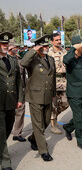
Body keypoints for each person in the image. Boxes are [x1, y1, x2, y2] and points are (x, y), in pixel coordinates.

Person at [20, 35, 55, 161]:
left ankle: (33, 138)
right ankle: (43, 151)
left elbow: (53, 78)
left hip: (48, 95)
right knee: (38, 124)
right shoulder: (32, 59)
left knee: (45, 122)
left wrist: (54, 95)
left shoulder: (50, 59)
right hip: (35, 96)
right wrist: (34, 50)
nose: (46, 48)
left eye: (47, 46)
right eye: (43, 46)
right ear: (38, 47)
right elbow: (23, 63)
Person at [0, 32, 23, 170]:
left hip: (11, 101)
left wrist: (20, 99)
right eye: (3, 43)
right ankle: (6, 163)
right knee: (2, 133)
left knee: (8, 128)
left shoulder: (13, 60)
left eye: (6, 43)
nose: (5, 46)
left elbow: (18, 82)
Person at [48, 33, 69, 134]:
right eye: (56, 40)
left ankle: (53, 116)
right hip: (53, 81)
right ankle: (53, 125)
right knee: (53, 104)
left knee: (65, 102)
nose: (59, 41)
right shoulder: (49, 53)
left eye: (60, 39)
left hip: (64, 81)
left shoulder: (64, 51)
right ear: (52, 42)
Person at [7, 40, 27, 143]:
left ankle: (17, 133)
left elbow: (22, 77)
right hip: (7, 92)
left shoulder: (18, 59)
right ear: (10, 48)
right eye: (15, 47)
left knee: (21, 111)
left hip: (20, 90)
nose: (17, 49)